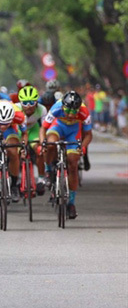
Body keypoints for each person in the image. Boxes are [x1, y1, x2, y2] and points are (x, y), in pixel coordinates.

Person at [41, 91, 92, 219]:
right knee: (51, 144)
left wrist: (82, 146)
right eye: (67, 111)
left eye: (73, 112)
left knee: (73, 164)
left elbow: (88, 135)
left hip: (73, 132)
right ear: (63, 106)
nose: (70, 115)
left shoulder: (84, 112)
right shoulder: (56, 108)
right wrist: (43, 143)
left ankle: (71, 203)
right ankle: (48, 170)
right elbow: (43, 129)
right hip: (57, 127)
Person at [15, 86, 48, 194]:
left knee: (39, 151)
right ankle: (16, 178)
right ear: (20, 102)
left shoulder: (42, 109)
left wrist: (43, 143)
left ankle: (41, 178)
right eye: (25, 103)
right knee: (15, 152)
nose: (28, 106)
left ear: (36, 102)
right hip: (19, 131)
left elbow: (44, 128)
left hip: (34, 130)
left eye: (31, 102)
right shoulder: (15, 108)